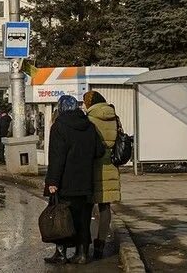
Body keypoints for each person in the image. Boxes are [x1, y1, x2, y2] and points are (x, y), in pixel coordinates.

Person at [44, 95, 105, 265]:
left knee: (62, 215)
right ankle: (82, 253)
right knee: (84, 218)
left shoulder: (59, 126)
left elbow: (57, 157)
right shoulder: (89, 126)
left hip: (65, 182)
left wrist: (52, 181)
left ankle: (61, 253)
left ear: (61, 108)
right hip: (86, 181)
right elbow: (99, 151)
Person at [84, 90, 121, 260]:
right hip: (110, 165)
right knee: (105, 207)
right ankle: (100, 244)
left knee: (87, 206)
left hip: (92, 166)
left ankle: (84, 245)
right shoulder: (114, 117)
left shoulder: (89, 119)